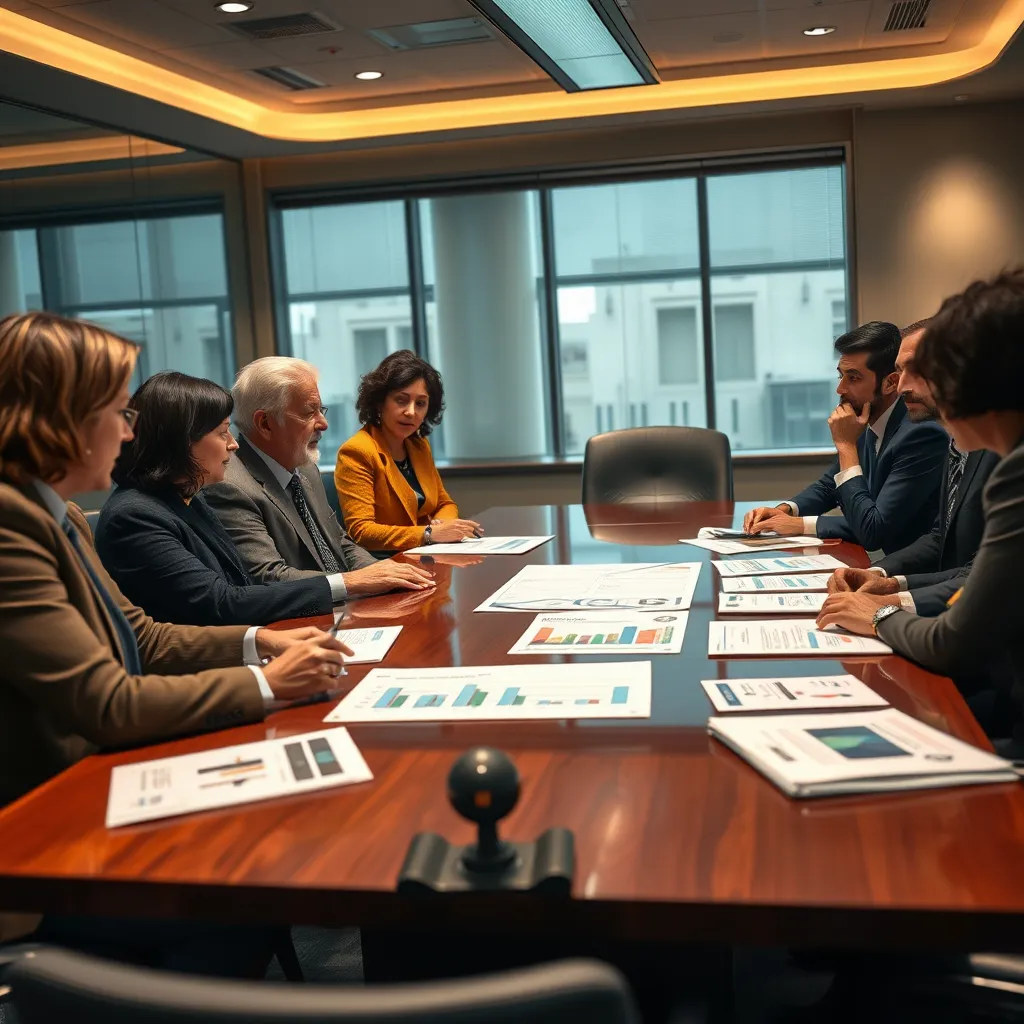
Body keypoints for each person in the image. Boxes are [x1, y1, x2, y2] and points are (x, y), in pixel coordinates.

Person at [0, 312, 350, 966]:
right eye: (116, 412)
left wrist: (259, 643)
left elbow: (141, 634)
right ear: (61, 420)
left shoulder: (58, 513)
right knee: (246, 885)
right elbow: (107, 702)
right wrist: (265, 684)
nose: (128, 431)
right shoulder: (9, 528)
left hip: (93, 787)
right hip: (43, 840)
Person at [817, 269, 1024, 748]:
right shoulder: (969, 447)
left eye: (935, 371)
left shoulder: (1012, 469)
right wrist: (888, 581)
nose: (906, 386)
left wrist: (878, 613)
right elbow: (954, 551)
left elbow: (954, 641)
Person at [95, 371, 345, 626]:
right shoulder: (134, 517)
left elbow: (240, 585)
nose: (233, 444)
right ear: (181, 441)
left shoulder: (186, 498)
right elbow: (222, 603)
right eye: (223, 432)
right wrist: (343, 585)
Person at [204, 356, 434, 597]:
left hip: (347, 601)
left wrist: (384, 572)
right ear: (265, 424)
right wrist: (354, 582)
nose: (323, 424)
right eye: (308, 412)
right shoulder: (229, 486)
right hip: (306, 614)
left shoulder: (305, 467)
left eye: (320, 410)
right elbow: (267, 577)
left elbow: (340, 542)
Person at [826, 321, 1000, 615]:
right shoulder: (957, 443)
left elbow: (986, 577)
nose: (902, 386)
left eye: (917, 370)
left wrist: (888, 605)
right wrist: (882, 576)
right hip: (951, 607)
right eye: (900, 371)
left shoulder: (1001, 453)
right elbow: (939, 539)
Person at [742, 321, 948, 552]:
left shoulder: (921, 435)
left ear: (890, 382)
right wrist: (785, 510)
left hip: (912, 566)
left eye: (854, 378)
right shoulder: (868, 421)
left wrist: (845, 445)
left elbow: (873, 529)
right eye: (841, 376)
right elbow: (830, 485)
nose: (840, 389)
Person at [335, 350, 482, 553]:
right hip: (385, 561)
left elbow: (444, 503)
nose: (411, 412)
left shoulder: (419, 446)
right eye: (401, 400)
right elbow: (362, 531)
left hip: (425, 555)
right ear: (380, 402)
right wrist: (429, 534)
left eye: (420, 403)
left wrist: (442, 526)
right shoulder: (357, 451)